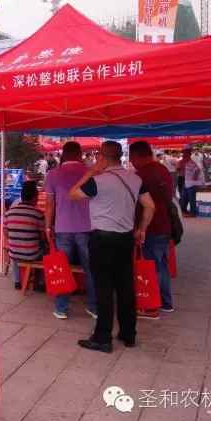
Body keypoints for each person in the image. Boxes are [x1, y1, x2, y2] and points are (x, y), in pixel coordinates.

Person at [69, 141, 155, 353]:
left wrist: (91, 171)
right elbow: (150, 206)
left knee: (104, 288)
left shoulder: (98, 181)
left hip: (102, 240)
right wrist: (141, 229)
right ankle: (128, 334)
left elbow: (73, 194)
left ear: (102, 157)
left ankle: (102, 338)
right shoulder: (135, 179)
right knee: (126, 287)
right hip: (126, 239)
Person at [44, 141, 97, 320]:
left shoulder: (53, 174)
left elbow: (49, 204)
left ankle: (61, 308)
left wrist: (47, 225)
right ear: (79, 154)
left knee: (61, 268)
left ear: (64, 154)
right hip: (87, 227)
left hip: (62, 227)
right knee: (91, 269)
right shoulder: (90, 172)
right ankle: (93, 307)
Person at [129, 141, 175, 320]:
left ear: (137, 156)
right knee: (161, 265)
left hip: (150, 227)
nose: (131, 162)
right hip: (165, 225)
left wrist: (140, 228)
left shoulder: (141, 175)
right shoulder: (162, 170)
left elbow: (141, 205)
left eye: (131, 158)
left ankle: (152, 307)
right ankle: (166, 302)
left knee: (151, 268)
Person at [4, 181, 44, 289]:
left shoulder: (9, 212)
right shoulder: (38, 213)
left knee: (15, 252)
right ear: (34, 197)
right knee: (44, 250)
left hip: (14, 252)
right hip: (32, 254)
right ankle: (39, 282)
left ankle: (17, 281)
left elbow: (6, 232)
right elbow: (42, 236)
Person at [179, 147, 203, 217]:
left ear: (188, 154)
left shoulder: (191, 162)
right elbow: (180, 170)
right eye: (183, 154)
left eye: (184, 154)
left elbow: (197, 170)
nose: (183, 155)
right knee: (184, 197)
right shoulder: (184, 161)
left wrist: (194, 177)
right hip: (186, 182)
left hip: (191, 183)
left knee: (191, 198)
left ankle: (193, 213)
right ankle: (184, 211)